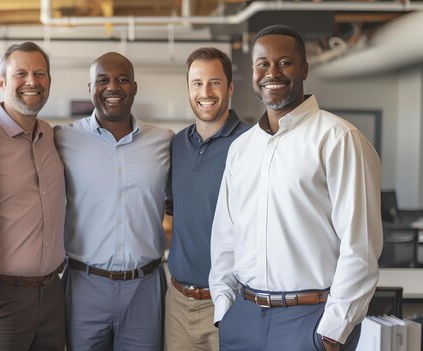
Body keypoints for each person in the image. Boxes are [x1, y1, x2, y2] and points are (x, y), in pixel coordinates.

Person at [208, 24, 382, 351]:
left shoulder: (339, 139)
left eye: (284, 62)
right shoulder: (241, 149)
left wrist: (332, 332)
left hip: (310, 321)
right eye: (262, 63)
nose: (271, 72)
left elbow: (361, 246)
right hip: (242, 319)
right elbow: (225, 238)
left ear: (304, 68)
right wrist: (225, 311)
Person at [54, 52, 173, 351]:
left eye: (122, 80)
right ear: (90, 87)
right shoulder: (63, 139)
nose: (113, 87)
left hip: (144, 288)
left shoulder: (164, 141)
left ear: (135, 86)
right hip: (84, 286)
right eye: (103, 80)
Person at [0, 42, 66, 350]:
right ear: (2, 82)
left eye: (40, 73)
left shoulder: (51, 135)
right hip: (0, 298)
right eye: (21, 73)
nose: (32, 81)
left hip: (52, 294)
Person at [165, 47, 249, 350]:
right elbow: (174, 214)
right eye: (197, 83)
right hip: (176, 301)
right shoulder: (178, 144)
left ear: (229, 87)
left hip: (229, 303)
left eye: (214, 82)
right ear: (188, 89)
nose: (205, 92)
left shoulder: (251, 144)